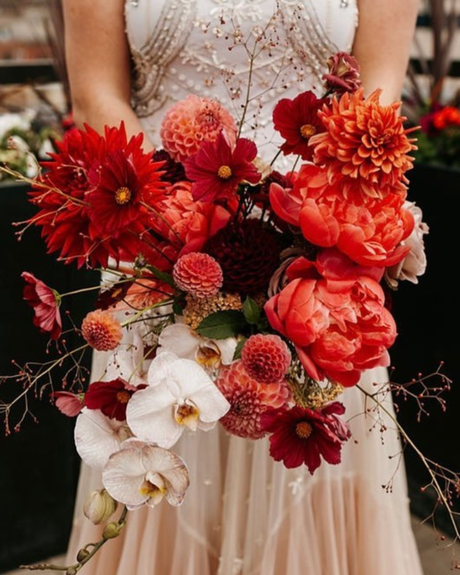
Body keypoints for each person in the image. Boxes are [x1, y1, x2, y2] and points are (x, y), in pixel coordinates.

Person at [62, 1, 423, 574]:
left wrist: (315, 228)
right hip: (161, 247)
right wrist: (177, 226)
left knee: (306, 455)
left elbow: (378, 92)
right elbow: (96, 95)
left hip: (315, 259)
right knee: (162, 452)